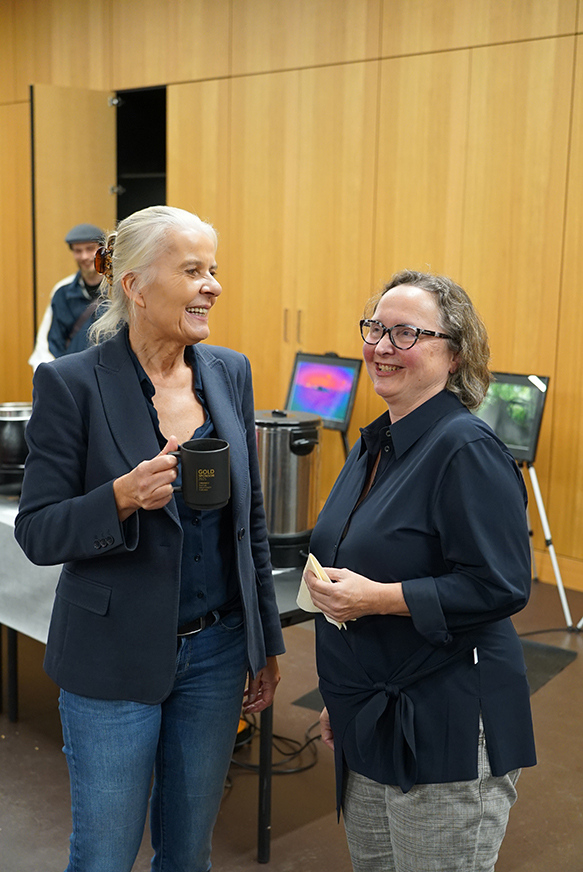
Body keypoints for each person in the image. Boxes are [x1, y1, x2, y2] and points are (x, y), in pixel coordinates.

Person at [15, 205, 284, 871]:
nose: (213, 285)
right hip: (110, 657)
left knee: (188, 852)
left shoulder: (229, 371)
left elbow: (248, 519)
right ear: (134, 285)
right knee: (105, 856)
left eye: (213, 269)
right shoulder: (70, 383)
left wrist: (264, 642)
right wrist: (120, 497)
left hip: (218, 652)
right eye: (192, 270)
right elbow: (39, 531)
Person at [303, 270, 536, 872]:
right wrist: (344, 695)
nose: (382, 347)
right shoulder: (377, 443)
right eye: (375, 329)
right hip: (371, 712)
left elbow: (501, 585)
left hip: (449, 720)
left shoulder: (467, 448)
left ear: (454, 355)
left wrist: (378, 598)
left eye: (406, 333)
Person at [28, 222, 105, 370]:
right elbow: (46, 346)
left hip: (111, 375)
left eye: (90, 249)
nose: (84, 256)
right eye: (78, 251)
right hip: (73, 375)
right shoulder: (62, 292)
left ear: (102, 250)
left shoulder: (120, 289)